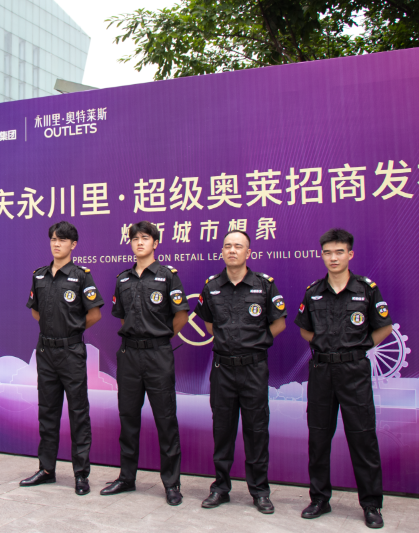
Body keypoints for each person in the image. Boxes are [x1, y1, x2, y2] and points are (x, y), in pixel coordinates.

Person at [296, 228, 391, 529]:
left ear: (350, 254)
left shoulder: (366, 289)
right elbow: (305, 329)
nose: (333, 258)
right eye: (328, 252)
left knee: (363, 438)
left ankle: (371, 504)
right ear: (322, 255)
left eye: (339, 252)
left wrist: (359, 348)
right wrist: (324, 345)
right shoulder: (313, 291)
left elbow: (384, 327)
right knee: (318, 438)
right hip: (322, 371)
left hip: (354, 373)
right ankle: (319, 499)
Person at [194, 230, 287, 514]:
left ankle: (260, 491)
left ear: (248, 253)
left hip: (254, 369)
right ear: (222, 251)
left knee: (256, 430)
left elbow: (279, 323)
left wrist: (254, 344)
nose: (232, 250)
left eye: (238, 246)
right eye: (227, 246)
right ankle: (220, 488)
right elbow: (209, 325)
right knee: (222, 430)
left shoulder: (264, 285)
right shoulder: (212, 286)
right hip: (223, 369)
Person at [101, 221, 190, 506]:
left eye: (145, 238)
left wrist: (158, 339)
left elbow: (181, 316)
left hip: (158, 356)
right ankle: (127, 477)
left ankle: (172, 484)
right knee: (128, 418)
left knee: (166, 419)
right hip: (129, 356)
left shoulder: (168, 277)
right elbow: (122, 318)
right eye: (135, 238)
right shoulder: (123, 279)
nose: (139, 242)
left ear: (155, 243)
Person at [20, 221, 103, 496]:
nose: (57, 244)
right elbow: (35, 311)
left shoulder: (81, 276)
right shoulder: (40, 276)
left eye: (62, 240)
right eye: (53, 239)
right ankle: (46, 469)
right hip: (46, 352)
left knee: (78, 413)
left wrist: (69, 331)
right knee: (47, 412)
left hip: (71, 353)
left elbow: (94, 314)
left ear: (73, 245)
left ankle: (81, 475)